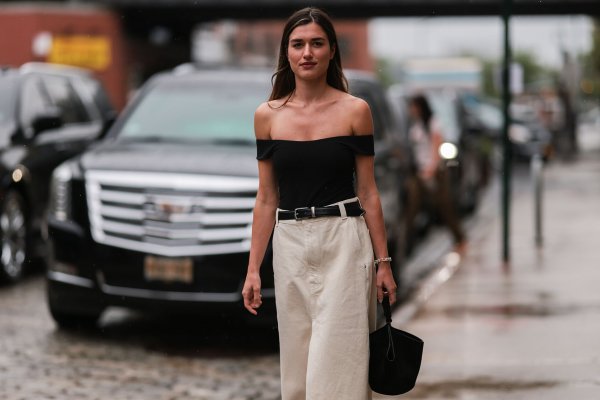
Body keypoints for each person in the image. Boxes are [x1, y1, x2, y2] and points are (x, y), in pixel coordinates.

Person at [241, 7, 397, 400]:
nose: (307, 52)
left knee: (339, 365)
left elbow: (369, 191)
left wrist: (383, 263)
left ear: (331, 51)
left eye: (316, 43)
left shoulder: (355, 111)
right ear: (286, 53)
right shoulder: (268, 116)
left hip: (344, 241)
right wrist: (253, 269)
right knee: (298, 368)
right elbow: (266, 197)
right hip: (290, 243)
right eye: (298, 44)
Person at [404, 94, 466, 253]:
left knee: (445, 206)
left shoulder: (433, 123)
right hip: (420, 171)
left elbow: (436, 147)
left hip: (435, 171)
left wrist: (431, 168)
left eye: (413, 107)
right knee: (412, 207)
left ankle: (460, 239)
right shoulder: (415, 125)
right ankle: (407, 245)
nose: (411, 110)